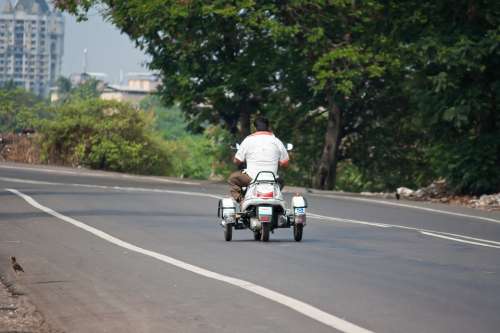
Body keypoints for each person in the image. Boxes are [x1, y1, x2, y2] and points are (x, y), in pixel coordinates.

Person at [228, 117, 289, 202]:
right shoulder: (277, 141)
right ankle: (274, 198)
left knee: (233, 178)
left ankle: (242, 201)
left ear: (255, 128)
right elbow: (285, 163)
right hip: (272, 178)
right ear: (269, 127)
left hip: (251, 178)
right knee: (281, 181)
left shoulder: (248, 140)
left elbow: (237, 160)